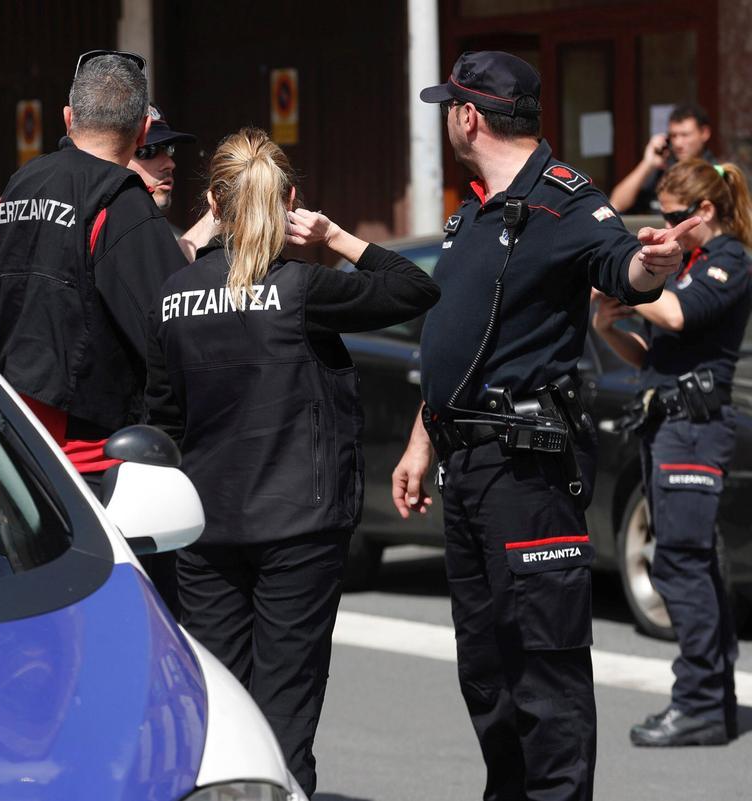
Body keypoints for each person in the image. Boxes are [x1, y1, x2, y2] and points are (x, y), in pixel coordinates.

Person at [392, 51, 700, 800]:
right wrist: (421, 440)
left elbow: (623, 267)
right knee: (487, 674)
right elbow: (456, 346)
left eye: (449, 107)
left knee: (544, 677)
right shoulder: (472, 213)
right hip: (466, 468)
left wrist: (656, 265)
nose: (447, 120)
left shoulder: (567, 200)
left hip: (527, 472)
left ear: (469, 116)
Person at [146, 127, 440, 795]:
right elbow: (415, 290)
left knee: (221, 712)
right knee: (285, 714)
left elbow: (162, 419)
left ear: (213, 203)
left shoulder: (173, 295)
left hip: (206, 529)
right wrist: (336, 237)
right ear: (290, 203)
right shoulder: (302, 287)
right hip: (299, 527)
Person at [0, 50, 185, 613]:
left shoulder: (15, 189)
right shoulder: (122, 202)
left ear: (68, 118)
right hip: (101, 474)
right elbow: (172, 336)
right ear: (142, 131)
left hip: (16, 466)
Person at [593, 158, 751, 747]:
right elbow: (655, 357)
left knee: (681, 566)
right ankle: (712, 700)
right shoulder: (690, 263)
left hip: (695, 429)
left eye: (674, 217)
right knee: (692, 564)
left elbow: (678, 315)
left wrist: (630, 289)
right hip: (668, 423)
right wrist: (610, 328)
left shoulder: (729, 260)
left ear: (705, 211)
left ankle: (699, 703)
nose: (665, 228)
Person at [126, 103, 218, 262]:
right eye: (149, 151)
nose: (170, 163)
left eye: (168, 148)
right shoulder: (96, 232)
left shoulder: (163, 234)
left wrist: (218, 209)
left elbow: (172, 265)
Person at [611, 103, 716, 214]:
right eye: (673, 136)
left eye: (685, 135)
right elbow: (616, 205)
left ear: (705, 133)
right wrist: (647, 163)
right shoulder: (660, 171)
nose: (678, 143)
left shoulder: (717, 172)